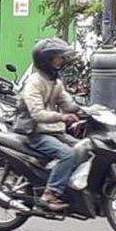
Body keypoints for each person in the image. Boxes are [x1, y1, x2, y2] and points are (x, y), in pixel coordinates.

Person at [22, 38, 80, 212]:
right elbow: (37, 114)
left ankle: (67, 187)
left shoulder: (56, 82)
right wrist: (62, 118)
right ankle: (50, 193)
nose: (61, 61)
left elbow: (68, 104)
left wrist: (90, 109)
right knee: (67, 154)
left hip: (54, 132)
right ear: (46, 60)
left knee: (84, 149)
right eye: (57, 58)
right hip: (36, 133)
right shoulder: (34, 83)